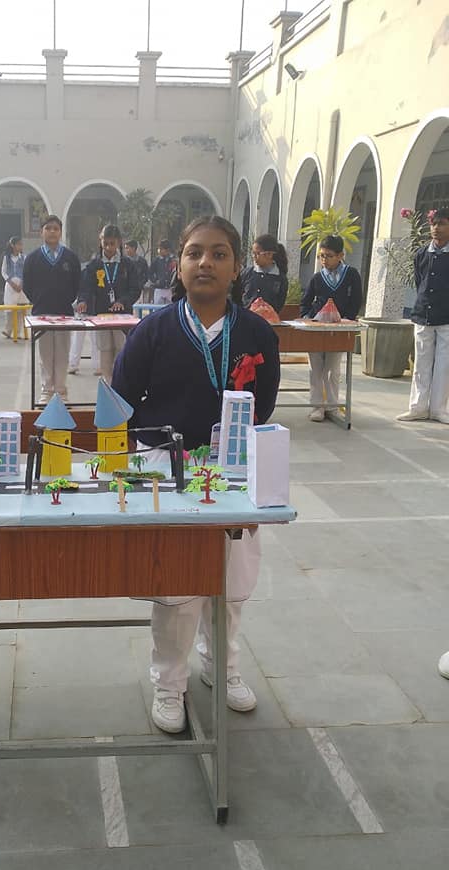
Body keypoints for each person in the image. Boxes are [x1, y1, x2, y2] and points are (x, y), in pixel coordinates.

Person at [112, 215, 280, 732]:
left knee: (230, 580)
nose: (206, 262)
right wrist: (149, 458)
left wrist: (234, 454)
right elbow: (122, 400)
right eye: (195, 252)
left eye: (219, 253)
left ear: (236, 267)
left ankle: (221, 666)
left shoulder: (256, 333)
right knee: (178, 586)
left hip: (232, 469)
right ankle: (169, 682)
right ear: (179, 264)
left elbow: (265, 404)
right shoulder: (153, 329)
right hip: (168, 470)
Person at [300, 235, 362, 422]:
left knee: (332, 369)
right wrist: (307, 318)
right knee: (316, 368)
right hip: (316, 329)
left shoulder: (351, 275)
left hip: (339, 330)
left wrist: (347, 320)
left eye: (329, 256)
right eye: (321, 256)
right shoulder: (317, 277)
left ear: (340, 255)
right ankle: (317, 406)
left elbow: (356, 300)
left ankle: (332, 406)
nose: (324, 260)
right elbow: (305, 302)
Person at [396, 208, 449, 423]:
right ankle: (418, 407)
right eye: (433, 224)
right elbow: (420, 282)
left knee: (444, 366)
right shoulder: (421, 253)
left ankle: (438, 410)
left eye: (442, 223)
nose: (436, 228)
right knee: (421, 364)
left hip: (446, 318)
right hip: (423, 314)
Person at [22, 214, 81, 404]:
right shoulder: (32, 258)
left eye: (56, 228)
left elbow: (77, 284)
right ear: (41, 232)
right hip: (42, 314)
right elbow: (27, 285)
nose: (52, 232)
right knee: (45, 355)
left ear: (61, 232)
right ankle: (46, 391)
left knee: (62, 354)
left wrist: (68, 300)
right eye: (48, 228)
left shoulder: (70, 258)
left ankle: (61, 392)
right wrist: (39, 301)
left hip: (64, 313)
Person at [76, 224, 141, 380]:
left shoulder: (127, 265)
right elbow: (86, 287)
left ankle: (120, 382)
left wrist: (123, 302)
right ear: (100, 241)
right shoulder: (94, 265)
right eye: (105, 243)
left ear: (119, 242)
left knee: (121, 348)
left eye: (112, 243)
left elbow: (135, 289)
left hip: (122, 316)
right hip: (102, 315)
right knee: (104, 349)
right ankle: (108, 381)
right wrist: (83, 300)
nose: (108, 247)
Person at [240, 234, 289, 313]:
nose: (254, 256)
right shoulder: (246, 273)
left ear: (269, 254)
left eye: (257, 253)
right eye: (253, 253)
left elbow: (279, 304)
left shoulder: (281, 278)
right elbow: (236, 296)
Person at [0, 236, 29, 338]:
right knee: (10, 309)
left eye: (21, 244)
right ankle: (8, 330)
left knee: (21, 310)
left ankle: (18, 333)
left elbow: (26, 272)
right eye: (18, 244)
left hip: (21, 286)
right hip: (10, 285)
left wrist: (21, 284)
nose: (20, 246)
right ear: (13, 245)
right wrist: (11, 283)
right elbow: (3, 272)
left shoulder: (24, 258)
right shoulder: (6, 258)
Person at [149, 239, 177, 305]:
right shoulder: (156, 260)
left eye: (161, 249)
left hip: (170, 289)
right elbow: (150, 273)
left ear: (167, 250)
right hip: (159, 289)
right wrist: (155, 281)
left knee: (170, 306)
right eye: (159, 249)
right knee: (157, 307)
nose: (159, 250)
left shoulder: (173, 260)